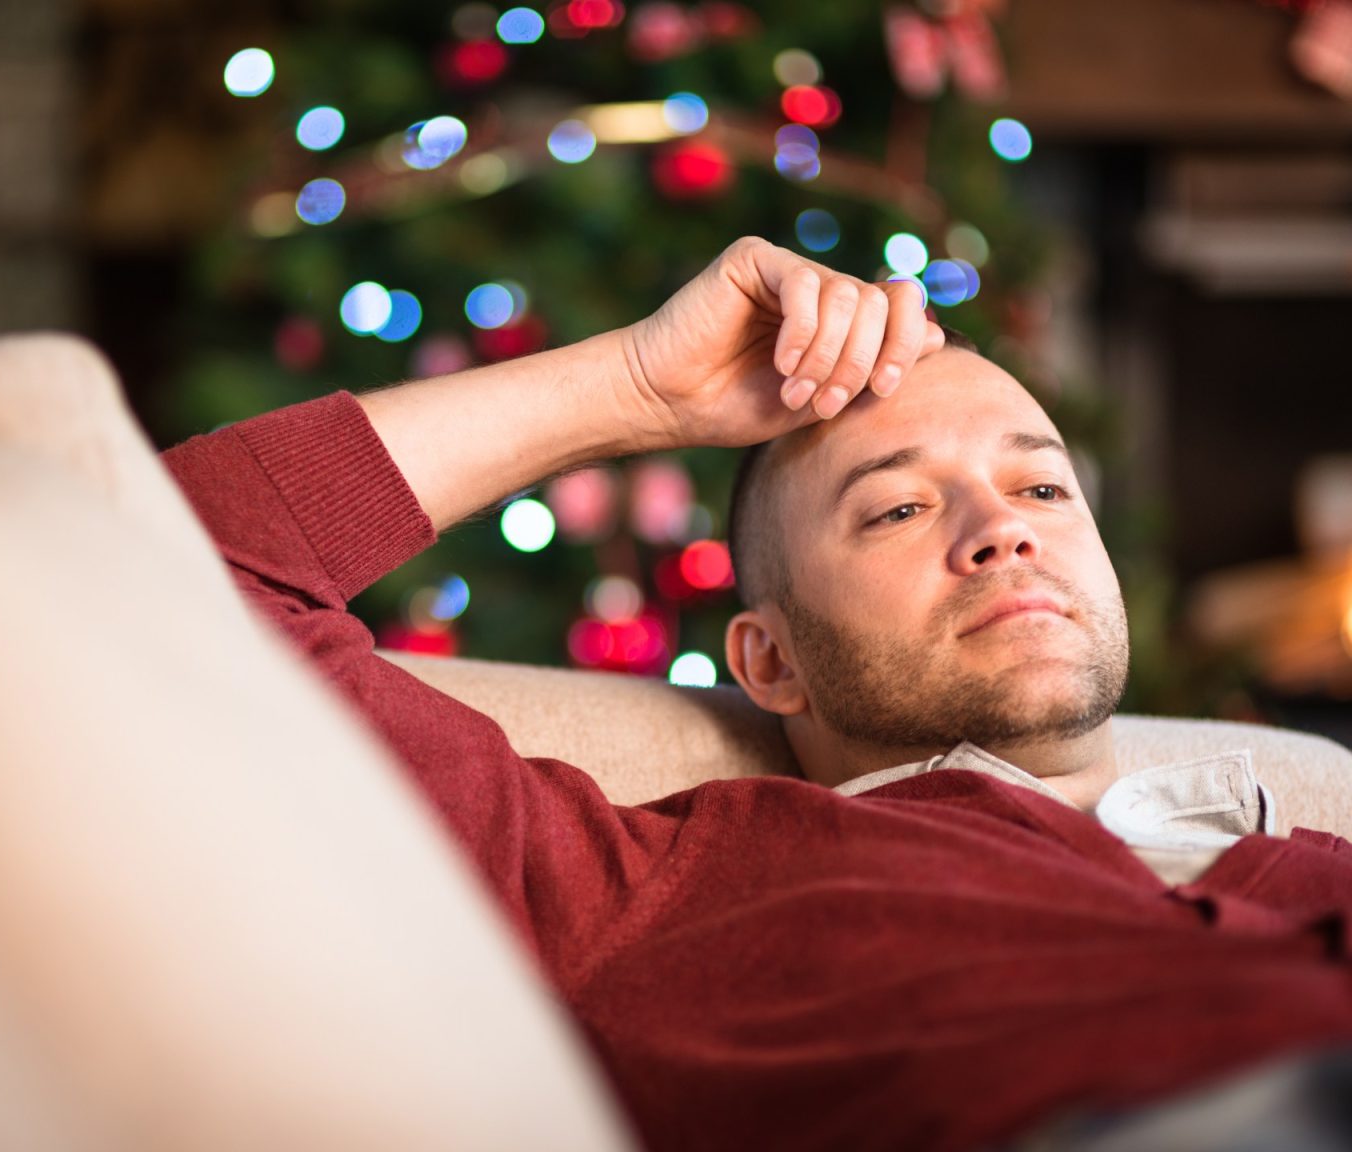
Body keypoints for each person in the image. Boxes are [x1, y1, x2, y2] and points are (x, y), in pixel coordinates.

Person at [161, 238, 1352, 1152]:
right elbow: (165, 567)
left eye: (1043, 491)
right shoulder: (656, 889)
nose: (1003, 531)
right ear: (769, 662)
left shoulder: (1313, 856)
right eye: (899, 507)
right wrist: (635, 387)